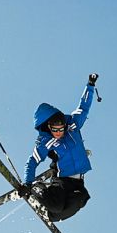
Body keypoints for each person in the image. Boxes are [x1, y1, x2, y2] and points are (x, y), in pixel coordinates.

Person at [22, 73, 100, 222]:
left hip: (78, 181)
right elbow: (32, 161)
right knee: (56, 205)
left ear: (64, 124)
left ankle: (48, 214)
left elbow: (83, 107)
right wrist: (28, 182)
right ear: (48, 128)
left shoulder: (73, 126)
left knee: (79, 200)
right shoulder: (46, 141)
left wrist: (90, 85)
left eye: (61, 129)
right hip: (62, 180)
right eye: (54, 130)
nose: (58, 133)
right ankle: (38, 188)